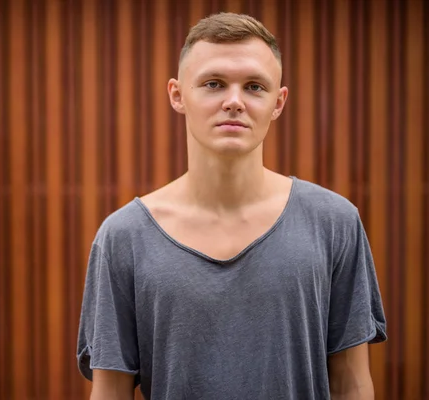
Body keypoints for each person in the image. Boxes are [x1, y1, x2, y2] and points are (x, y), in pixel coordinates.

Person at [76, 12, 387, 400]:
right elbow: (110, 392)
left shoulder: (334, 222)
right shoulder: (124, 238)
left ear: (278, 101)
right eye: (213, 83)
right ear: (177, 95)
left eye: (255, 86)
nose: (234, 102)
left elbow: (352, 382)